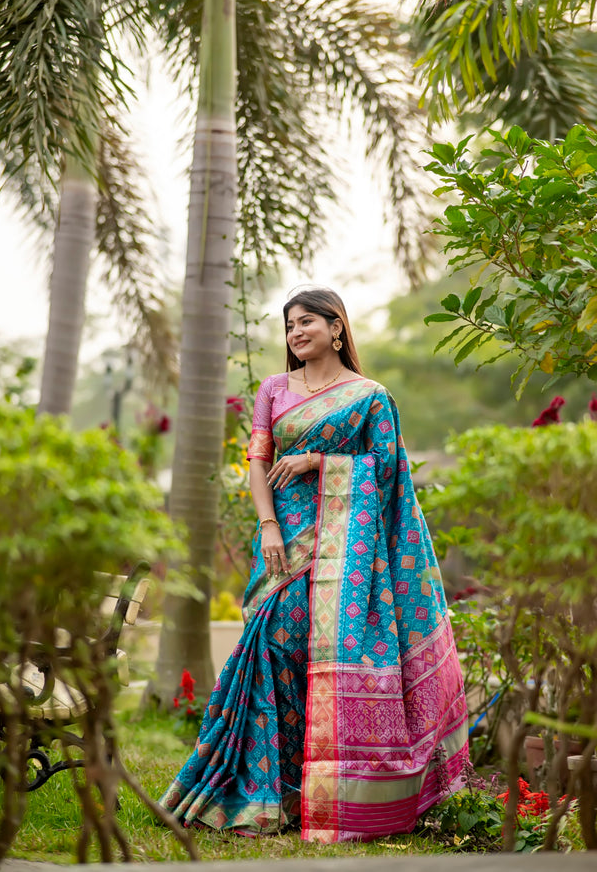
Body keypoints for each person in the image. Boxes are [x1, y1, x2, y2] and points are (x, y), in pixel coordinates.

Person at [159, 287, 468, 843]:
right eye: (289, 326)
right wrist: (268, 526)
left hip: (348, 552)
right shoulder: (273, 390)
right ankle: (264, 792)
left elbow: (388, 470)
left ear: (337, 328)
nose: (295, 333)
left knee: (314, 655)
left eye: (306, 323)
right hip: (284, 540)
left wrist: (320, 460)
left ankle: (321, 793)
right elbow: (257, 462)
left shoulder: (370, 397)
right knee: (272, 644)